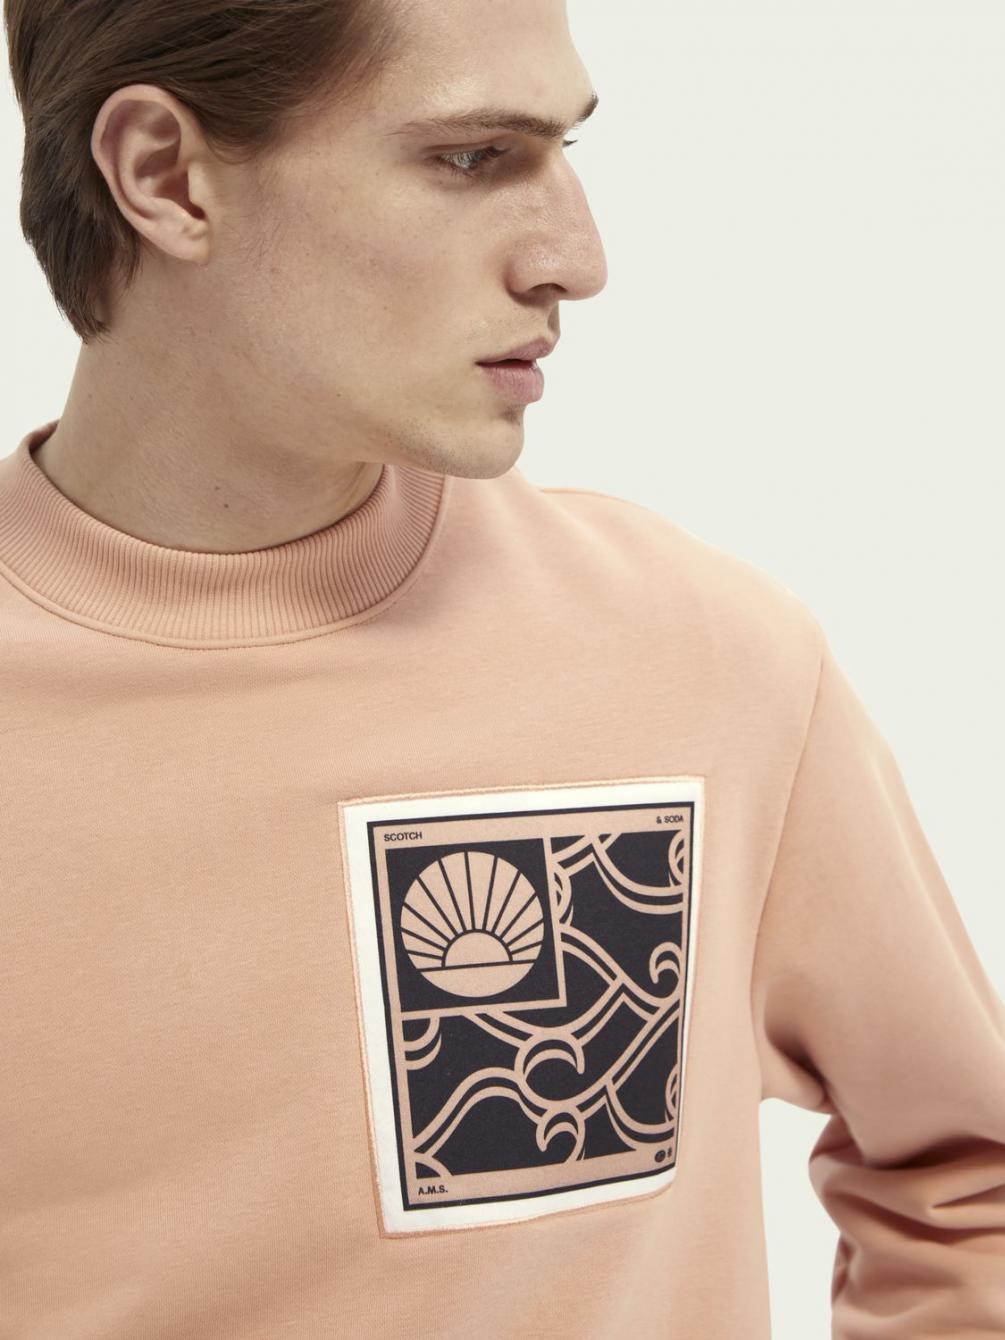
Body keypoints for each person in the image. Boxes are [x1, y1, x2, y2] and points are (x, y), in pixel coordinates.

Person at [1, 1, 1002, 1336]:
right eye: (471, 156)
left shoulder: (704, 657)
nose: (577, 262)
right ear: (166, 176)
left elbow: (968, 1183)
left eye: (563, 149)